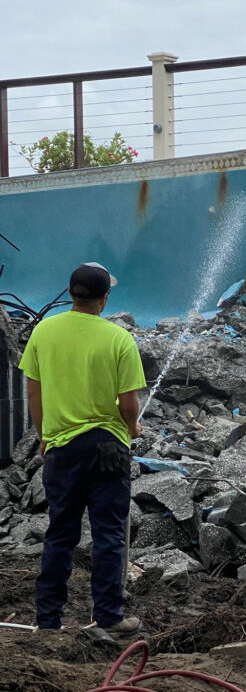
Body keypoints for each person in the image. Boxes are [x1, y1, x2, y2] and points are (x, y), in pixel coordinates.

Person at [19, 262, 146, 633]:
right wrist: (132, 426)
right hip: (108, 448)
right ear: (105, 299)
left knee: (60, 533)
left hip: (60, 449)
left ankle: (48, 623)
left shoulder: (44, 331)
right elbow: (127, 404)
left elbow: (33, 391)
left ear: (71, 294)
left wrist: (45, 438)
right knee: (108, 533)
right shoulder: (119, 339)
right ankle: (108, 617)